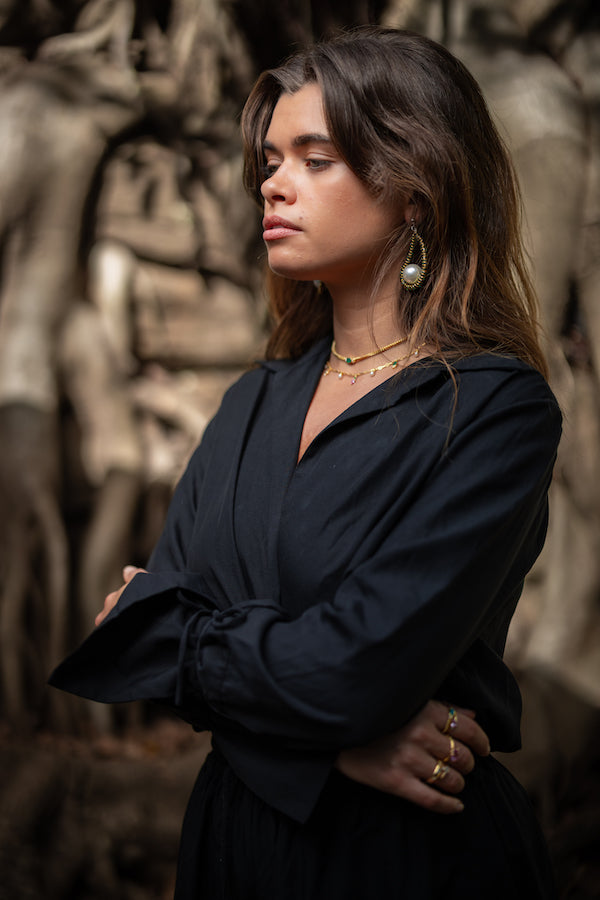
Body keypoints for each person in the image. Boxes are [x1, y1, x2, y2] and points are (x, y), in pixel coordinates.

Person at [50, 26, 562, 899]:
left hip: (407, 858)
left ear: (416, 189)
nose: (271, 183)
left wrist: (206, 653)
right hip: (232, 845)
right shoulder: (254, 399)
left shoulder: (495, 412)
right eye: (270, 160)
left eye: (315, 159)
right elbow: (135, 642)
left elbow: (348, 671)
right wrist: (335, 748)